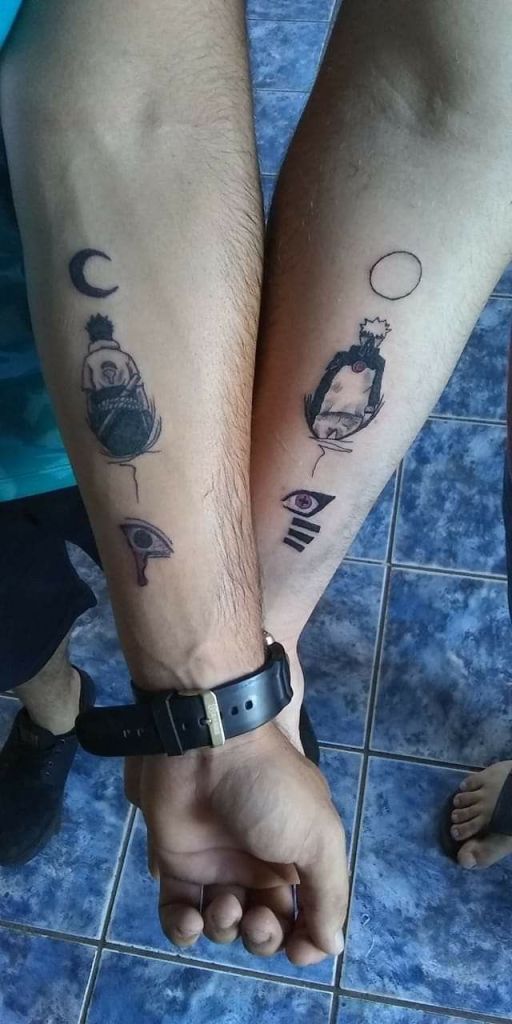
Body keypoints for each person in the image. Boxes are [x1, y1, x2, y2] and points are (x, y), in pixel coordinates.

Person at [0, 0, 511, 969]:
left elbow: (438, 103)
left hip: (161, 389)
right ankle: (51, 709)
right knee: (12, 625)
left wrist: (236, 668)